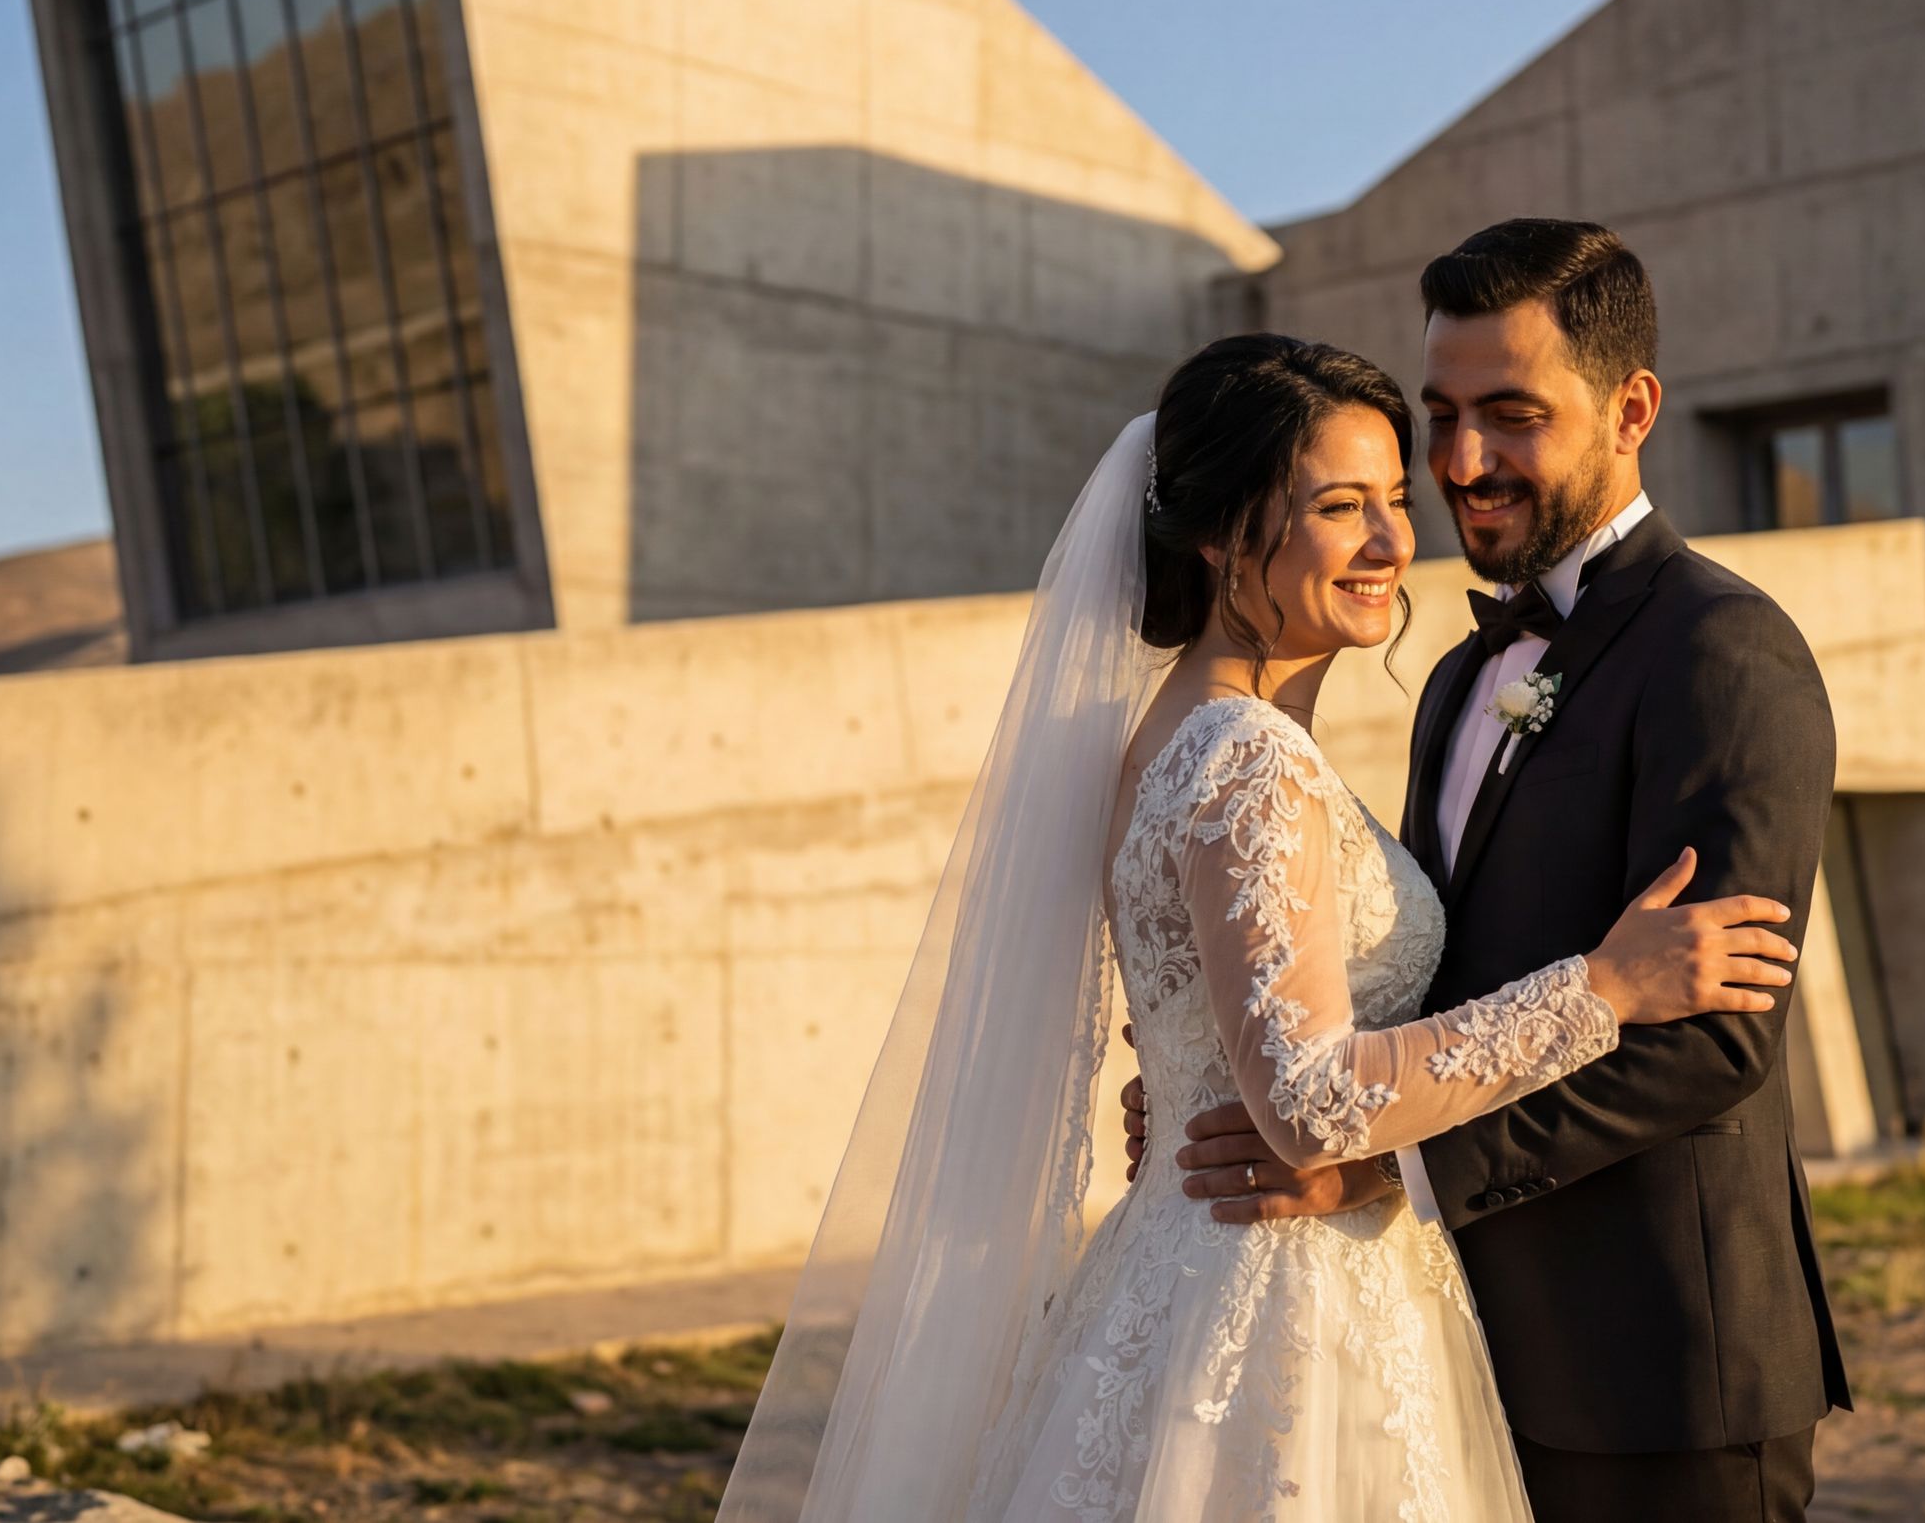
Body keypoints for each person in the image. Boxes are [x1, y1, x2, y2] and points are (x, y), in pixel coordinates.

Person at [718, 330, 1801, 1523]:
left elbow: (1238, 1027)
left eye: (1394, 500)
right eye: (1340, 507)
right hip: (1279, 1303)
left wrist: (1194, 1082)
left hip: (1201, 1264)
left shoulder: (1172, 732)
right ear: (1226, 537)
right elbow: (1312, 1105)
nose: (1392, 541)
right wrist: (1603, 989)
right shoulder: (1247, 758)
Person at [1133, 220, 1852, 1522]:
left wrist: (1380, 1169)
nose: (1463, 463)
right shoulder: (1455, 676)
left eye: (1512, 416)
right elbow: (1422, 978)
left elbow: (1715, 1036)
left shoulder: (1723, 650)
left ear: (1632, 410)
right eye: (1444, 418)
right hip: (1449, 1346)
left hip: (1656, 1368)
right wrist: (1224, 1068)